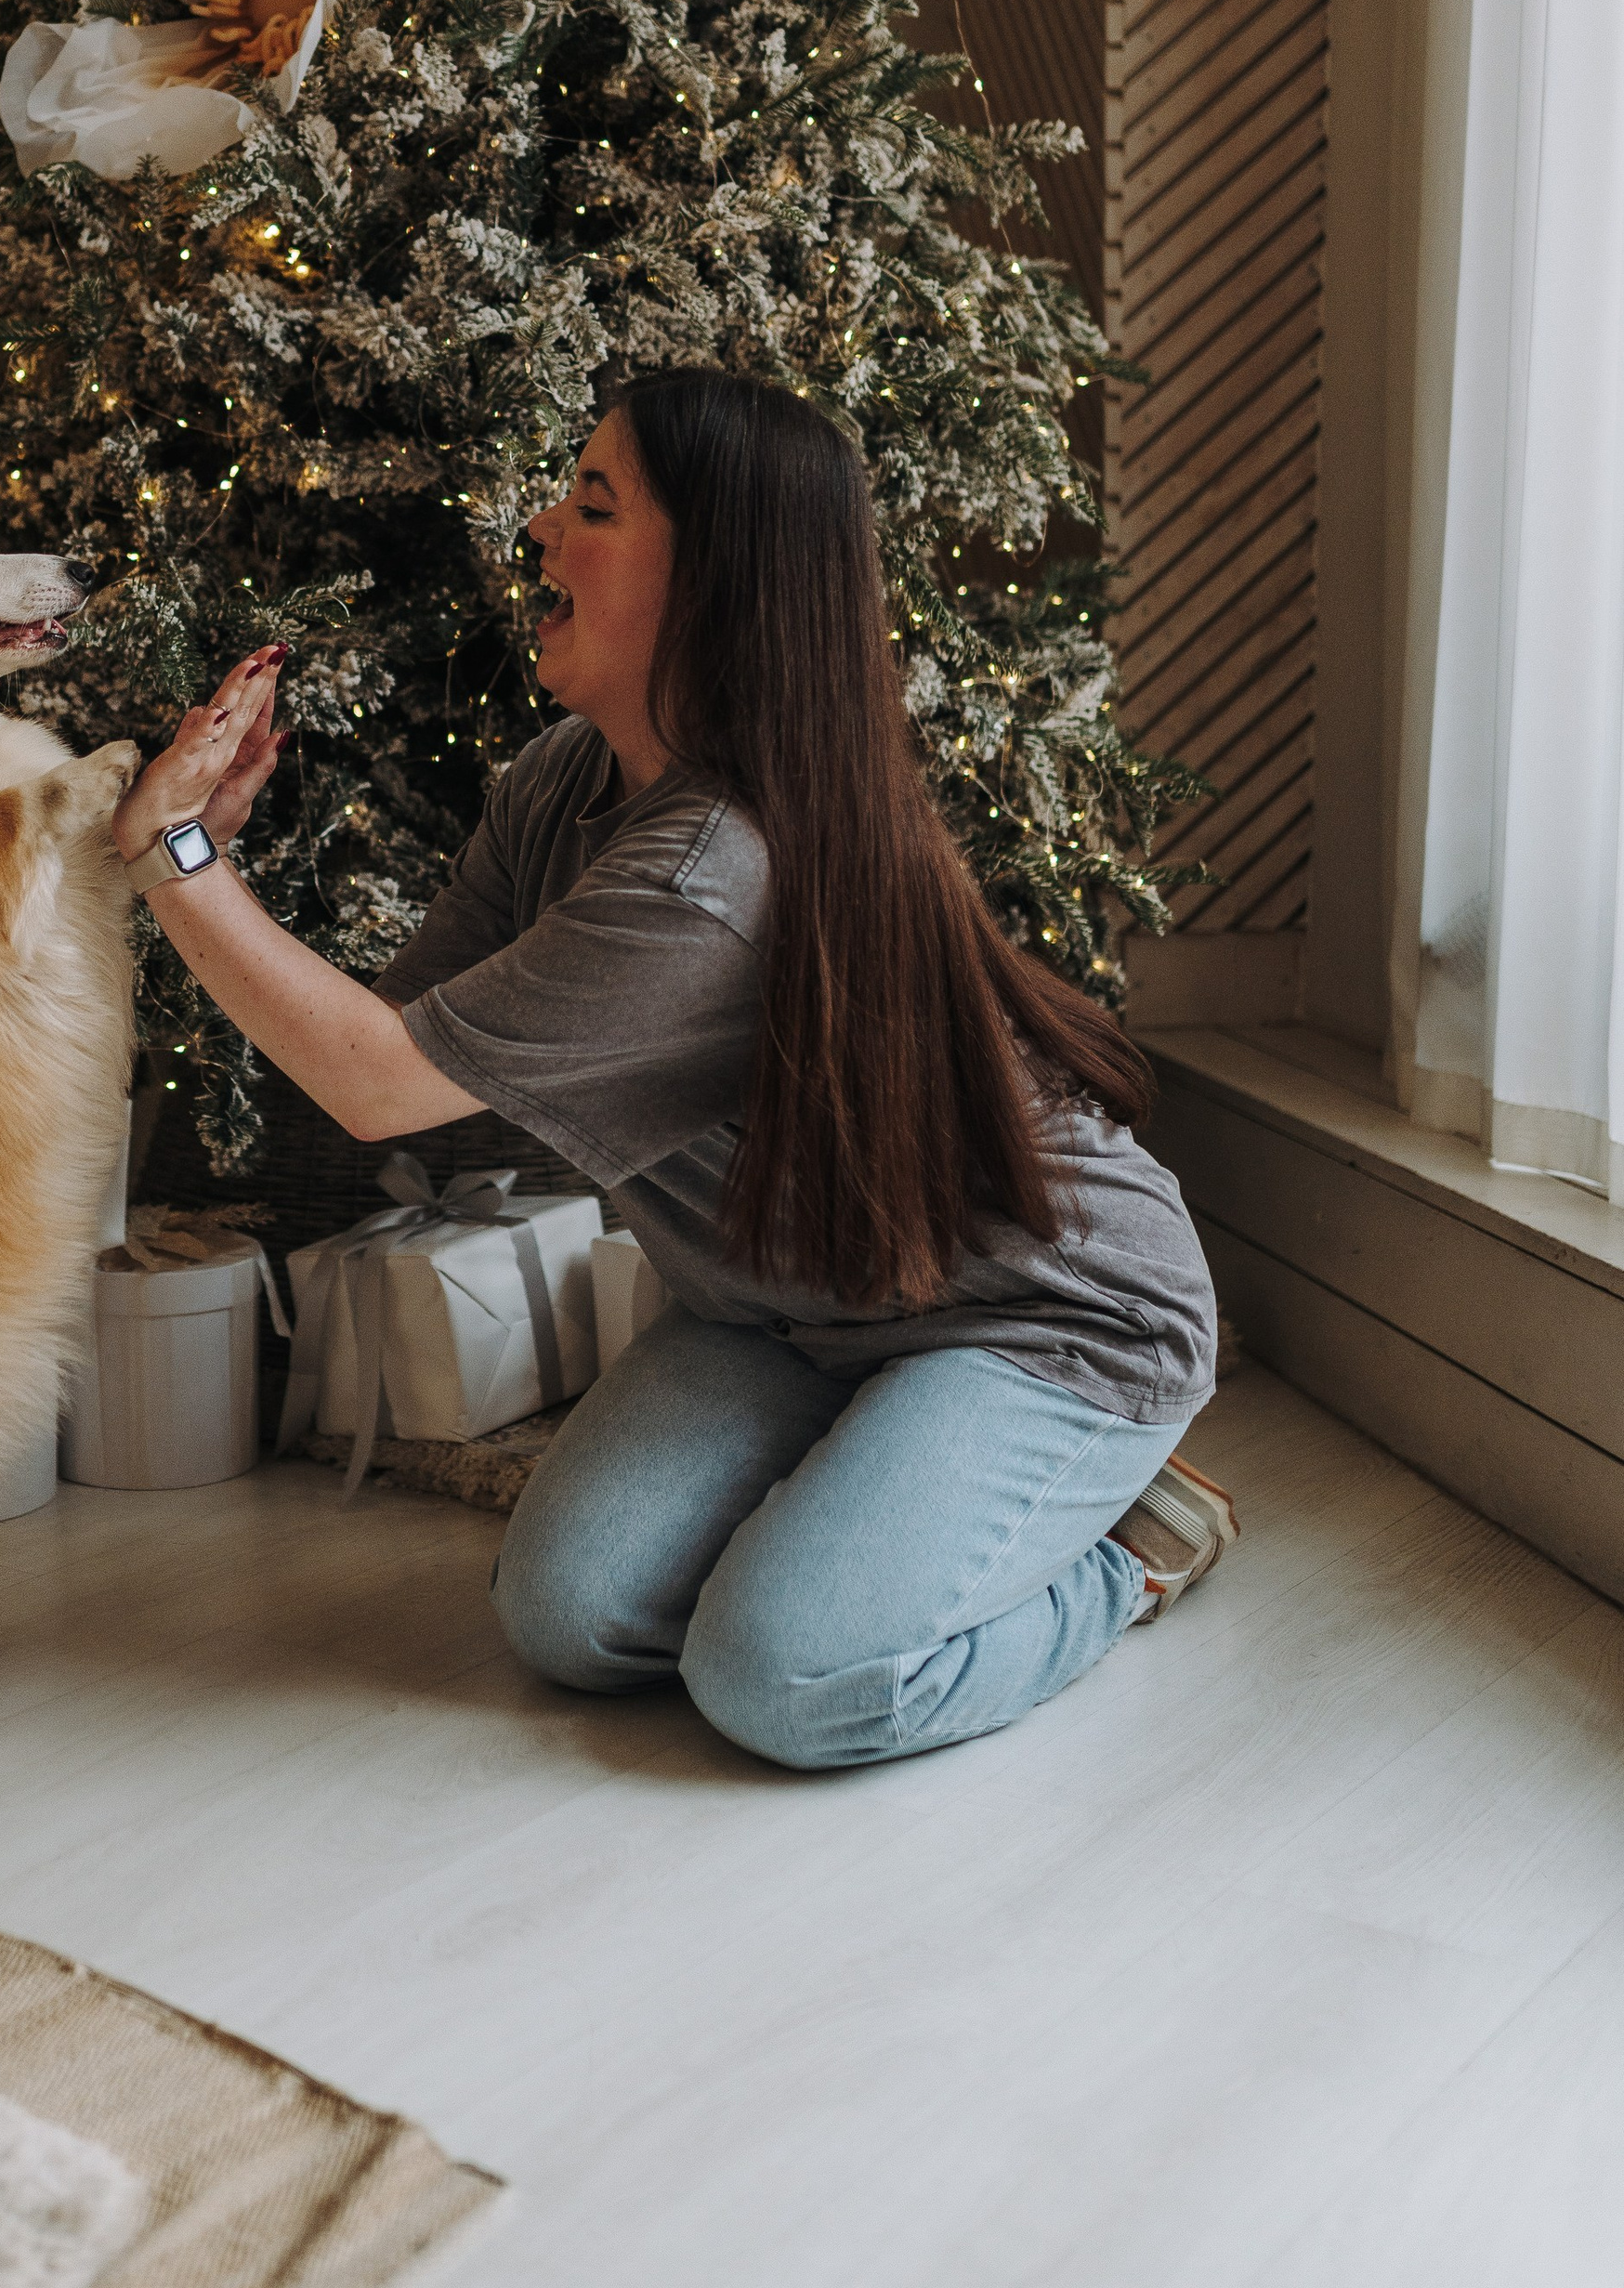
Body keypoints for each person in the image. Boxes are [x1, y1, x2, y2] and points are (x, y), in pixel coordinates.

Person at [108, 367, 1235, 1772]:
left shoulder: (709, 873)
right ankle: (877, 1488)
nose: (536, 526)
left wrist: (178, 863)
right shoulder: (561, 784)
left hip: (1041, 1315)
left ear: (715, 584)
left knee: (784, 1676)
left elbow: (374, 1080)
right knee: (569, 1618)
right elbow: (390, 1042)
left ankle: (1127, 1556)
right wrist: (214, 856)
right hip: (780, 1307)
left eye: (593, 507)